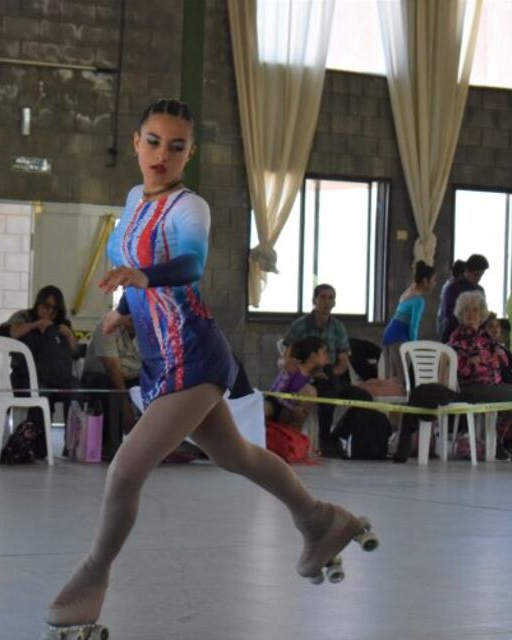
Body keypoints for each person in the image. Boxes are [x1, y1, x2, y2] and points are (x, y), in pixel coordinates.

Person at [43, 98, 375, 639]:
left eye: (176, 147)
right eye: (153, 141)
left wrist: (143, 280)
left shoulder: (189, 208)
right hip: (160, 359)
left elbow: (189, 266)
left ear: (189, 154)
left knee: (126, 470)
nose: (162, 155)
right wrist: (124, 311)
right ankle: (319, 519)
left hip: (193, 355)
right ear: (136, 142)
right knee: (237, 454)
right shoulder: (132, 198)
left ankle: (91, 579)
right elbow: (134, 267)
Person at [446, 291, 512, 461]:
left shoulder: (485, 337)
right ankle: (496, 442)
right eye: (467, 311)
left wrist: (485, 358)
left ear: (482, 314)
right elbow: (462, 370)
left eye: (476, 310)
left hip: (494, 384)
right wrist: (482, 359)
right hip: (471, 387)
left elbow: (504, 361)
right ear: (461, 315)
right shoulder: (457, 337)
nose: (472, 314)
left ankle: (511, 439)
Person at [283, 284, 371, 457]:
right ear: (314, 300)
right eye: (322, 297)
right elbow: (288, 355)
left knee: (364, 398)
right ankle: (324, 439)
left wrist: (331, 374)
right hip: (308, 376)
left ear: (334, 302)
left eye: (330, 298)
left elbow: (343, 362)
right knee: (327, 396)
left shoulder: (338, 327)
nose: (326, 301)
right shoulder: (300, 325)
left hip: (331, 374)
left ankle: (336, 435)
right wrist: (309, 371)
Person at [80, 314, 141, 434]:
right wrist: (126, 409)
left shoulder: (150, 328)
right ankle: (110, 446)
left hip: (132, 375)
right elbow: (113, 369)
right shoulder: (107, 325)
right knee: (108, 388)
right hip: (101, 375)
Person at [381, 260, 437, 382]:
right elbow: (414, 327)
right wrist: (413, 346)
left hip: (389, 333)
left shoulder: (409, 291)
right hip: (399, 337)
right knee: (402, 380)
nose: (435, 283)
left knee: (391, 378)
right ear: (425, 281)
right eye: (433, 280)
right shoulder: (419, 300)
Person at [265, 336, 328, 429]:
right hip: (275, 404)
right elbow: (276, 393)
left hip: (293, 412)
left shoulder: (313, 377)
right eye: (324, 352)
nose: (326, 356)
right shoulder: (292, 367)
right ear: (313, 354)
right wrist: (292, 408)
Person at [438, 254, 488, 342]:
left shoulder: (480, 290)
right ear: (467, 271)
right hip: (453, 337)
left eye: (481, 275)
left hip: (476, 337)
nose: (479, 279)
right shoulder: (452, 288)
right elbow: (449, 316)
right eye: (476, 275)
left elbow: (482, 315)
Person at [436, 259, 465, 338]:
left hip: (443, 321)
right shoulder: (452, 287)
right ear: (461, 274)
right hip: (448, 323)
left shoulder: (448, 284)